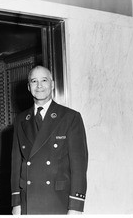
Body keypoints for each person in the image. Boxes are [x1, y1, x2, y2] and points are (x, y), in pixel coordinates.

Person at [11, 65, 88, 215]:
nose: (39, 86)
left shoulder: (70, 117)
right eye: (34, 81)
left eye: (44, 80)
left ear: (52, 85)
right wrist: (16, 202)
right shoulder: (20, 120)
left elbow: (79, 166)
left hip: (58, 200)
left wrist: (76, 206)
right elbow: (16, 165)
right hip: (28, 201)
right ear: (28, 87)